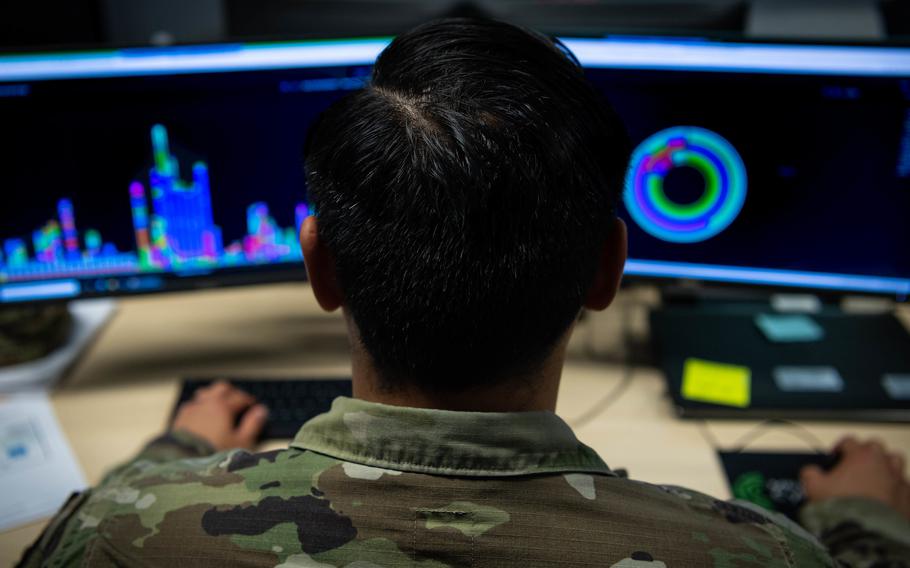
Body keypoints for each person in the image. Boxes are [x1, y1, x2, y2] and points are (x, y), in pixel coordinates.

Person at [20, 18, 910, 567]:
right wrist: (866, 522)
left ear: (320, 268)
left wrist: (171, 449)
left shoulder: (119, 533)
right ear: (608, 270)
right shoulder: (758, 555)